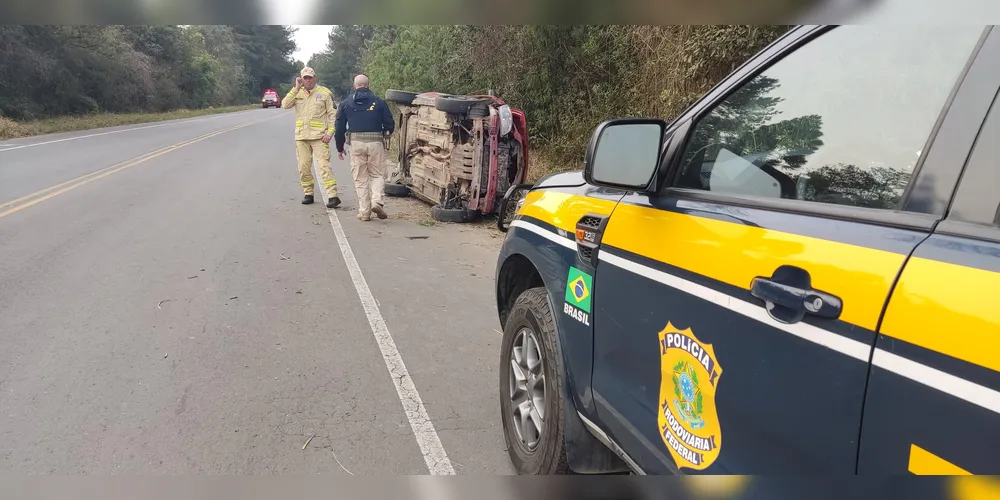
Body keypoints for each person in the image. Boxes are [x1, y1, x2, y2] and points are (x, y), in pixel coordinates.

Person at [334, 74, 395, 221]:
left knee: (360, 178)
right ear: (368, 85)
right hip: (375, 142)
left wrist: (340, 147)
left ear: (355, 86)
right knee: (378, 174)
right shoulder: (379, 102)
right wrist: (386, 132)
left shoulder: (346, 103)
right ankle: (377, 201)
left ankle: (364, 212)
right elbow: (389, 123)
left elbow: (339, 127)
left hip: (355, 144)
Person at [281, 67, 341, 208]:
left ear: (315, 78)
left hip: (319, 136)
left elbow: (333, 116)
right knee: (303, 167)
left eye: (310, 77)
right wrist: (295, 89)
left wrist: (329, 133)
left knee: (324, 166)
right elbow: (285, 105)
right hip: (302, 136)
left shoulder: (325, 93)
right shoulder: (297, 93)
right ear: (301, 79)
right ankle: (308, 193)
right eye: (305, 78)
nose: (308, 80)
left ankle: (332, 196)